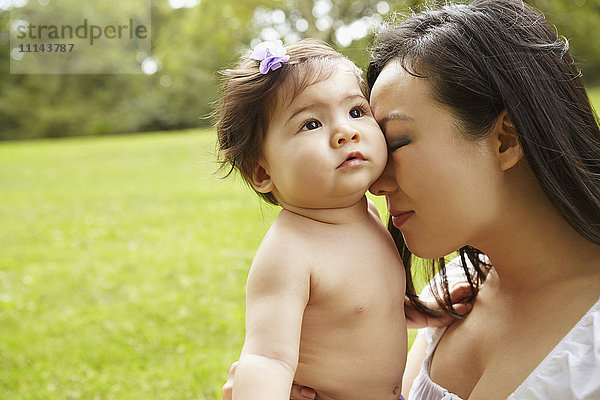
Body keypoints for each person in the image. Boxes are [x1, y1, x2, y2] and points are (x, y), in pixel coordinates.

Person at [222, 0, 600, 399]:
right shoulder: (459, 285)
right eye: (311, 124)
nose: (375, 183)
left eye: (394, 142)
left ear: (505, 139)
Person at [215, 38, 468, 400]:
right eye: (311, 123)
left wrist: (421, 313)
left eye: (355, 112)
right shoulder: (289, 252)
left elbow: (359, 311)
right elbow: (266, 358)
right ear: (261, 172)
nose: (345, 132)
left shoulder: (366, 214)